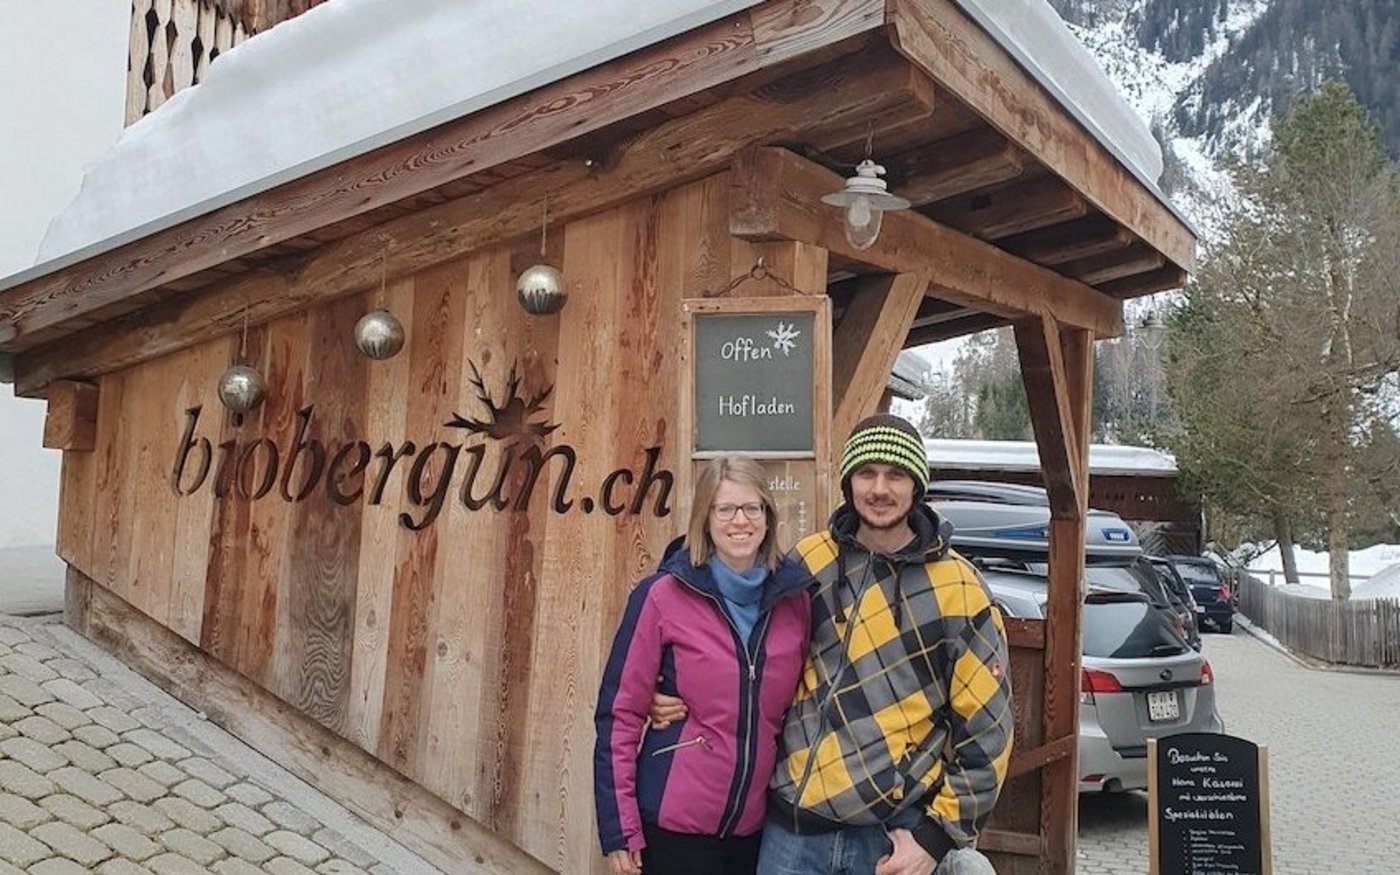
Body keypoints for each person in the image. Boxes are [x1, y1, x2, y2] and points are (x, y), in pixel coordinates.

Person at [653, 415, 1014, 874]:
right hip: (791, 832)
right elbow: (728, 633)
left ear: (917, 485)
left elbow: (989, 729)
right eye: (866, 473)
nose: (879, 488)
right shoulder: (809, 562)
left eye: (896, 474)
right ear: (848, 482)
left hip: (889, 838)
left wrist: (936, 837)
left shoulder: (959, 590)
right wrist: (665, 685)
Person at [594, 455, 813, 875]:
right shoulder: (662, 597)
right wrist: (619, 828)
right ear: (705, 518)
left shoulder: (794, 601)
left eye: (752, 508)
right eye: (725, 509)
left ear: (768, 517)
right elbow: (619, 714)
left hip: (755, 832)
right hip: (674, 831)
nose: (740, 521)